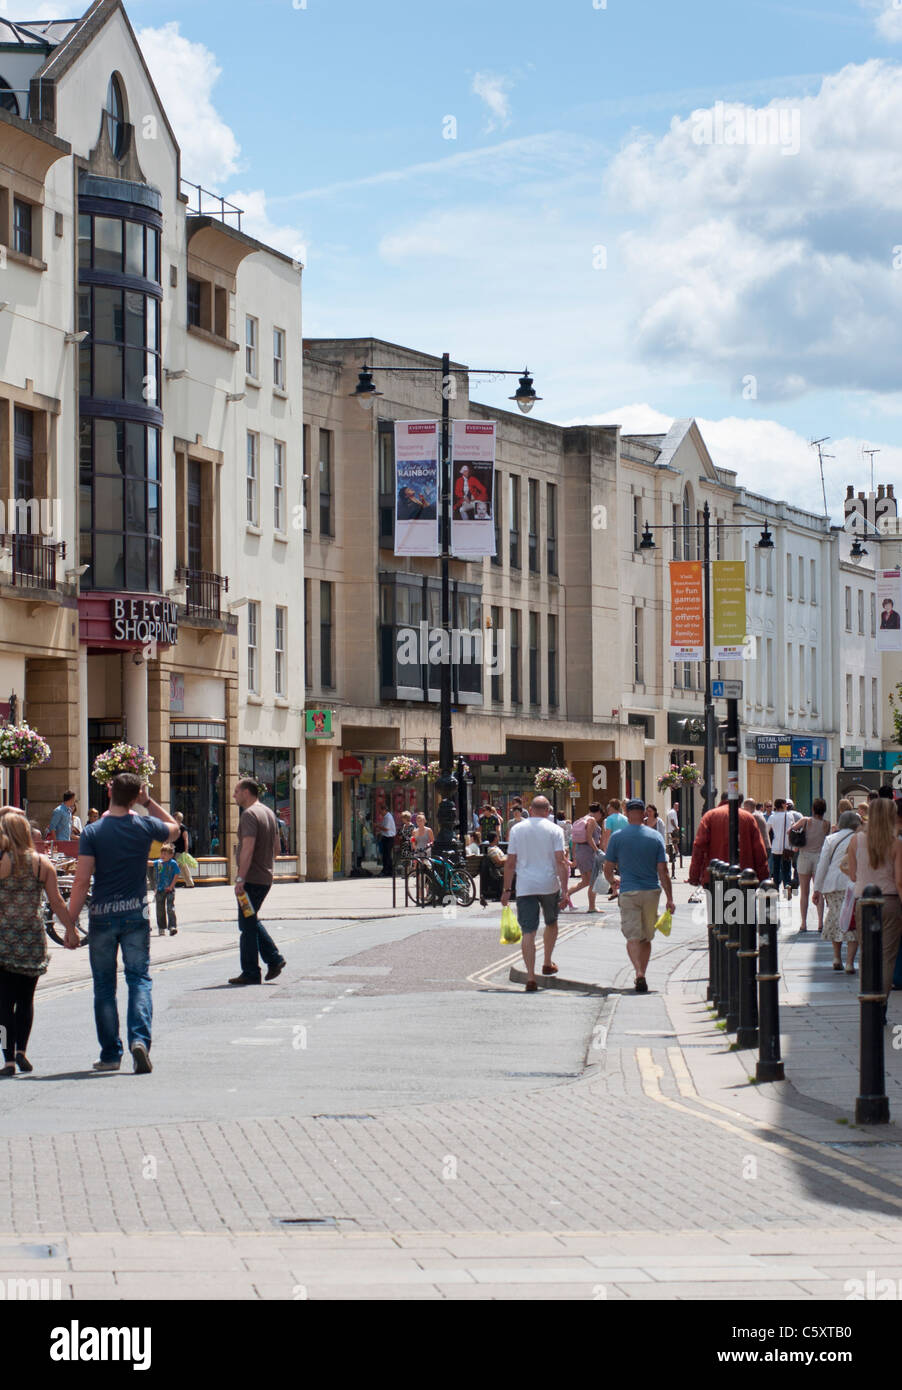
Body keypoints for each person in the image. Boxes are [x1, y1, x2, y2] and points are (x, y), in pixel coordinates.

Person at [68, 773, 179, 1074]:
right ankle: (139, 1040)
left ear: (109, 792)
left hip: (102, 916)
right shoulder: (144, 825)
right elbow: (175, 830)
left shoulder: (93, 831)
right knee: (139, 979)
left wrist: (68, 924)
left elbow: (80, 882)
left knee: (104, 986)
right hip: (135, 915)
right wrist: (148, 801)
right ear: (135, 795)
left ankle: (110, 1054)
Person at [0, 808, 76, 1076]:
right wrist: (71, 930)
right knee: (26, 999)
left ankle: (8, 1059)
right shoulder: (42, 863)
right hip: (32, 937)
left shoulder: (1, 861)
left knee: (4, 1002)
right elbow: (56, 902)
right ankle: (22, 1051)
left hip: (4, 938)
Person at [603, 798, 675, 994]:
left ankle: (638, 972)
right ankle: (642, 971)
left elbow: (607, 868)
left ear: (626, 813)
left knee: (632, 937)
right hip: (652, 891)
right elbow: (663, 871)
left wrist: (612, 882)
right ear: (644, 813)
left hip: (628, 891)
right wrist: (670, 897)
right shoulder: (655, 837)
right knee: (646, 937)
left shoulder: (617, 837)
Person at [501, 796, 569, 993]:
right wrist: (565, 891)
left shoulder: (517, 829)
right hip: (549, 885)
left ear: (530, 810)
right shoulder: (555, 830)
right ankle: (547, 962)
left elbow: (510, 863)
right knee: (551, 923)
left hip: (525, 887)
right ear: (548, 811)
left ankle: (530, 977)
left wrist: (506, 890)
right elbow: (561, 861)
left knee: (528, 931)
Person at [229, 778, 287, 987]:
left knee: (246, 925)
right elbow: (278, 849)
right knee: (250, 920)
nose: (234, 795)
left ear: (247, 792)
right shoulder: (268, 813)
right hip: (265, 877)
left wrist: (241, 877)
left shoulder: (250, 815)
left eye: (237, 791)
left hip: (251, 879)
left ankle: (252, 971)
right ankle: (273, 959)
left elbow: (248, 848)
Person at [846, 797, 902, 1004]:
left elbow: (852, 875)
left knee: (868, 954)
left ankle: (868, 1001)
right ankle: (881, 1006)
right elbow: (899, 881)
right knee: (887, 957)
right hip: (890, 901)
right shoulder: (896, 844)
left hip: (864, 902)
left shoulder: (856, 840)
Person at [812, 810, 861, 973]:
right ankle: (849, 962)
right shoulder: (859, 839)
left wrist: (817, 889)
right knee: (852, 921)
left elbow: (822, 864)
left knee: (835, 918)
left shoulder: (831, 839)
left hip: (832, 884)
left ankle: (836, 957)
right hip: (852, 883)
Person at [688, 793, 769, 889]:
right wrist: (763, 877)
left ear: (721, 800)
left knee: (716, 903)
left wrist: (694, 876)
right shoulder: (748, 818)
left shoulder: (710, 816)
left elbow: (699, 846)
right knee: (745, 903)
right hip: (745, 877)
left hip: (715, 877)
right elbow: (759, 851)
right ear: (740, 802)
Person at [792, 798, 829, 931]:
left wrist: (796, 844)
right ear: (824, 810)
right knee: (818, 891)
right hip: (819, 858)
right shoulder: (826, 824)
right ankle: (820, 923)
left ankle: (803, 923)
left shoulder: (805, 821)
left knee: (804, 892)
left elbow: (790, 831)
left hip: (804, 857)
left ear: (813, 809)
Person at [568, 802, 603, 913]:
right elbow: (589, 837)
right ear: (598, 812)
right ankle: (592, 907)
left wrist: (574, 856)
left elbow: (573, 840)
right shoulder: (591, 821)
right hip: (588, 852)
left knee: (585, 881)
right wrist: (597, 851)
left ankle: (563, 896)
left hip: (580, 851)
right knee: (593, 880)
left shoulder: (581, 819)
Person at [766, 798, 794, 898]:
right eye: (785, 804)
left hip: (776, 847)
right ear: (782, 805)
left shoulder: (772, 817)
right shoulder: (790, 816)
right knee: (786, 868)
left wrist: (768, 844)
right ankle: (787, 885)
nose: (787, 805)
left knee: (776, 869)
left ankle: (776, 889)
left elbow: (766, 830)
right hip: (787, 847)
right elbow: (793, 829)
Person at [152, 843, 179, 937]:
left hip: (169, 889)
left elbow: (176, 874)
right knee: (159, 909)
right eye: (162, 854)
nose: (163, 856)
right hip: (160, 889)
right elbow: (151, 863)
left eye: (165, 854)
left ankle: (172, 926)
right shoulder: (159, 862)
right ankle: (161, 927)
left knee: (170, 908)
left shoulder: (173, 863)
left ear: (171, 855)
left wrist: (171, 886)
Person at [173, 811, 196, 887]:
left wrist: (186, 850)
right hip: (176, 850)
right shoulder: (176, 827)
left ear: (177, 818)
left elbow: (186, 839)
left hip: (181, 851)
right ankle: (189, 883)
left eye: (174, 817)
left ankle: (171, 883)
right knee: (183, 868)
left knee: (176, 867)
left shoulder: (183, 828)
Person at [377, 806, 397, 877]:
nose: (380, 813)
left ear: (384, 810)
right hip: (386, 837)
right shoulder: (386, 817)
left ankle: (387, 870)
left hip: (388, 838)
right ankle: (389, 870)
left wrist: (377, 826)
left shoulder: (388, 817)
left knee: (386, 855)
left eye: (381, 811)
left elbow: (386, 828)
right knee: (386, 855)